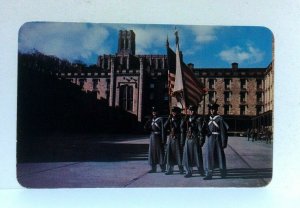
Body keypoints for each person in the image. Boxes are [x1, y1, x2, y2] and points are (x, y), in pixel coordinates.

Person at [203, 102, 229, 180]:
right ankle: (209, 173)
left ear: (216, 109)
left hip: (217, 140)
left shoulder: (220, 119)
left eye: (213, 109)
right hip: (209, 139)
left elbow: (223, 131)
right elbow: (203, 131)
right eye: (210, 109)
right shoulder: (207, 119)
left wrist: (224, 142)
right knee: (208, 156)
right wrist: (204, 126)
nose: (212, 110)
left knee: (219, 156)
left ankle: (222, 172)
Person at [181, 105, 205, 178]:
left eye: (192, 110)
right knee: (187, 156)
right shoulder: (187, 118)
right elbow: (181, 128)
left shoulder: (198, 118)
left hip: (195, 138)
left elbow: (201, 130)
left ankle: (201, 170)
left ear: (195, 111)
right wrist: (184, 121)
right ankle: (188, 171)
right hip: (188, 139)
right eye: (190, 110)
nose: (191, 112)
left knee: (197, 155)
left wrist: (201, 140)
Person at [144, 106, 166, 173]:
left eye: (155, 111)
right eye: (153, 111)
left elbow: (163, 130)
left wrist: (163, 139)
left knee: (160, 153)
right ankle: (153, 168)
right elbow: (148, 128)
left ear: (158, 112)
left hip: (158, 137)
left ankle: (163, 168)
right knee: (152, 153)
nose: (154, 112)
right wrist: (146, 125)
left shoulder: (161, 119)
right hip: (152, 137)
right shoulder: (151, 119)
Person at [164, 106, 184, 175]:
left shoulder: (180, 119)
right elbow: (164, 126)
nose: (173, 113)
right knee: (170, 154)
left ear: (177, 112)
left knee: (178, 153)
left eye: (175, 112)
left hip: (177, 137)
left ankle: (181, 168)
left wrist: (174, 120)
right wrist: (169, 119)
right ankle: (170, 169)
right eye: (173, 112)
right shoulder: (170, 119)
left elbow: (179, 127)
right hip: (171, 137)